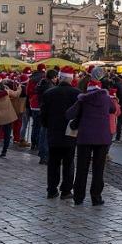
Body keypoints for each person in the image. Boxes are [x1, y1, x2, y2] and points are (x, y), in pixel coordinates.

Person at [65, 77, 116, 206]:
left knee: (82, 168)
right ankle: (96, 197)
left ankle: (78, 197)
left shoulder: (83, 99)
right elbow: (113, 109)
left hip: (85, 138)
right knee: (98, 169)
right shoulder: (106, 98)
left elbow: (69, 114)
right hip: (102, 138)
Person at [40, 67, 80, 199]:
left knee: (53, 163)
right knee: (69, 163)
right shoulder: (77, 94)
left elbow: (43, 115)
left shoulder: (49, 93)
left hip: (54, 133)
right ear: (71, 79)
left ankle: (51, 190)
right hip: (70, 133)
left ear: (60, 77)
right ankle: (66, 190)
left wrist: (48, 126)